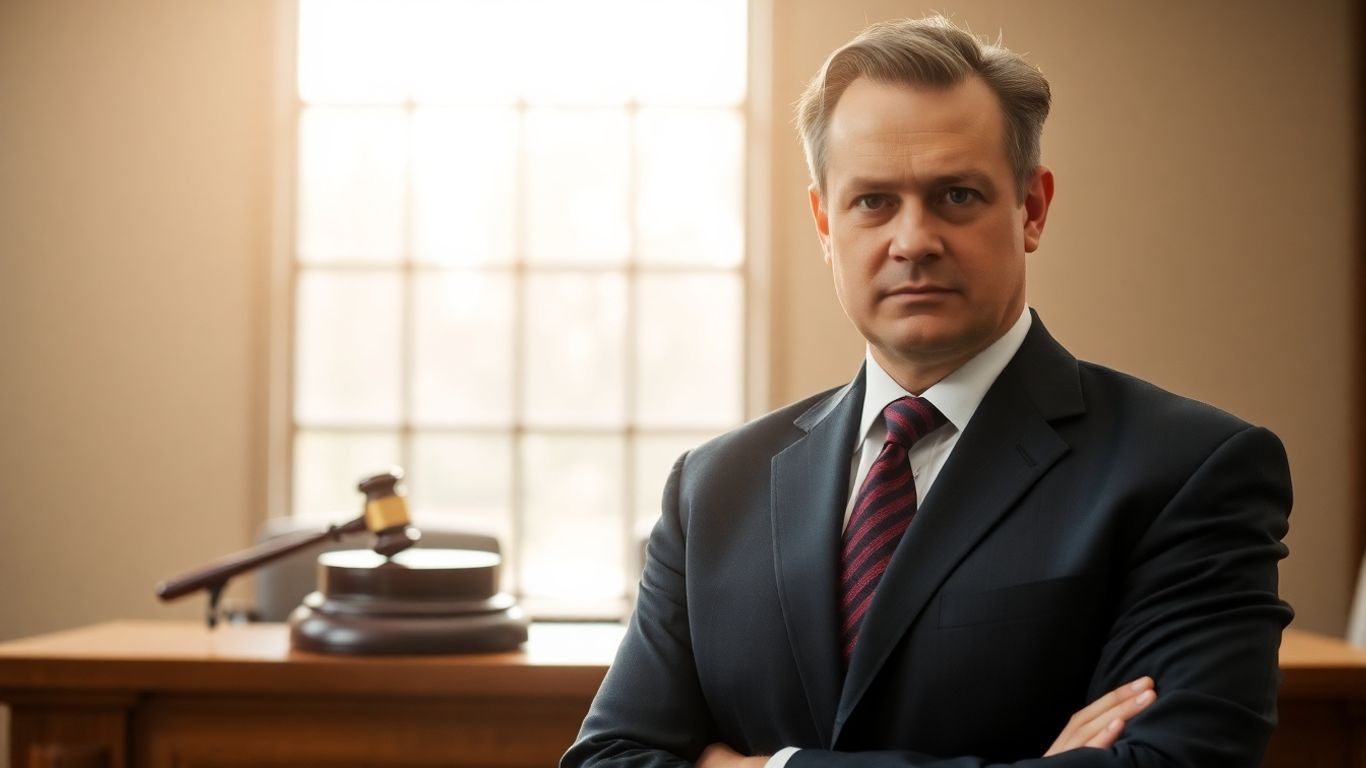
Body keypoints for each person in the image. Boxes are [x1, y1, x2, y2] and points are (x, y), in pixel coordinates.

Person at [562, 15, 1291, 768]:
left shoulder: (1190, 471)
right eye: (873, 202)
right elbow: (608, 758)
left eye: (956, 195)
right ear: (824, 222)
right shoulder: (712, 488)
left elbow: (1176, 764)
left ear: (1032, 209)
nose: (913, 240)